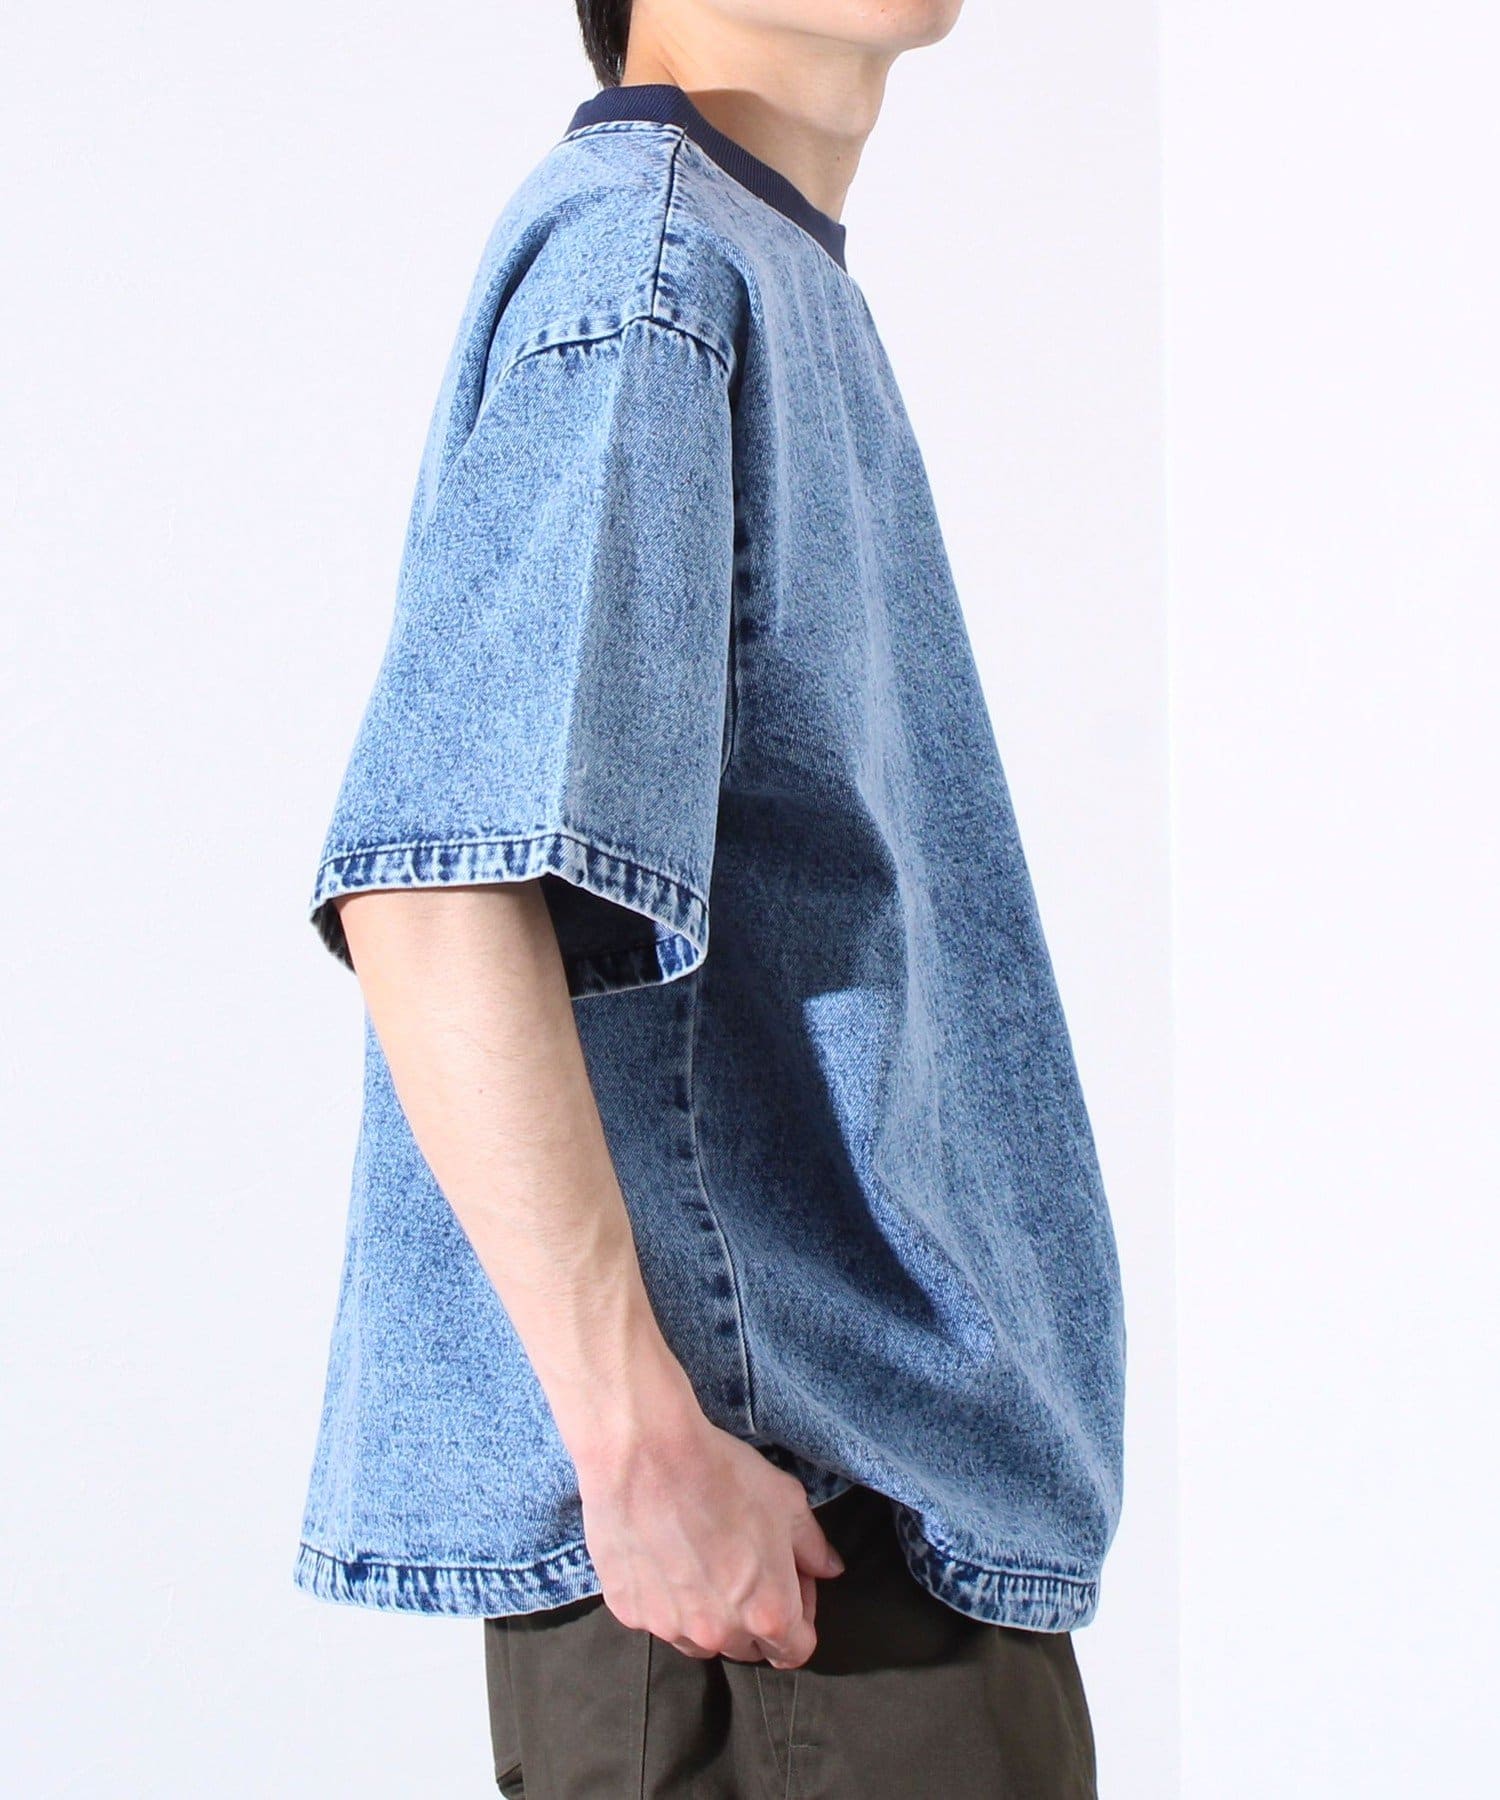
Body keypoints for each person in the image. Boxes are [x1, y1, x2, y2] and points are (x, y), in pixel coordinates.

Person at [293, 2, 1126, 1793]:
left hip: (852, 1538)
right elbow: (437, 892)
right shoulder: (651, 262)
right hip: (781, 1580)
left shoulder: (746, 262)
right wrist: (642, 1447)